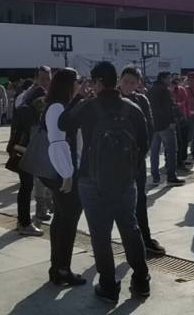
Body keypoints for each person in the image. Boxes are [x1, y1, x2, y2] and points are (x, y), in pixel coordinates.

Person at [60, 61, 151, 303]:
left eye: (93, 81)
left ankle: (109, 286)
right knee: (130, 228)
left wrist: (77, 97)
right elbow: (144, 143)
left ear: (99, 82)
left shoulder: (87, 106)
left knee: (100, 235)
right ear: (116, 80)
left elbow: (63, 124)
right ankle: (141, 280)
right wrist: (129, 170)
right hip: (125, 181)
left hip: (92, 179)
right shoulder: (133, 108)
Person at [41, 68, 86, 286]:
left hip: (62, 171)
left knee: (61, 219)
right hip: (63, 172)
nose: (80, 84)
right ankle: (62, 269)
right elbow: (57, 143)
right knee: (68, 221)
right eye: (77, 80)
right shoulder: (57, 107)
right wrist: (67, 174)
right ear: (68, 84)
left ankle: (57, 268)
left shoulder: (61, 106)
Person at [119, 66, 166, 256]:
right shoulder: (110, 99)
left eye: (133, 82)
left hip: (136, 160)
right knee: (116, 205)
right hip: (113, 161)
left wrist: (140, 154)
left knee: (139, 200)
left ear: (138, 84)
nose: (128, 85)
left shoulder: (141, 100)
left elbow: (149, 128)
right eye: (126, 81)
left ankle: (144, 239)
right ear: (119, 80)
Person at [7, 66, 52, 237]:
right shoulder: (34, 97)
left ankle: (23, 221)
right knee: (27, 186)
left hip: (23, 147)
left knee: (26, 186)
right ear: (36, 79)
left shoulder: (27, 97)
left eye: (48, 78)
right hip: (26, 148)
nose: (45, 82)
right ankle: (25, 223)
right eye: (42, 78)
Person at [147, 72, 184, 186]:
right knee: (171, 151)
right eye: (168, 78)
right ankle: (171, 176)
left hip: (154, 125)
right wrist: (172, 121)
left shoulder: (150, 90)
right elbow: (169, 108)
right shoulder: (164, 90)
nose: (170, 80)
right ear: (163, 79)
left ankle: (155, 176)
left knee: (154, 152)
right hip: (165, 124)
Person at [170, 75, 190, 169]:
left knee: (184, 139)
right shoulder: (167, 91)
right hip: (173, 118)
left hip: (182, 116)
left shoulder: (181, 90)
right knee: (177, 141)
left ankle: (182, 159)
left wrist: (179, 104)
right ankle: (175, 161)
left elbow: (185, 101)